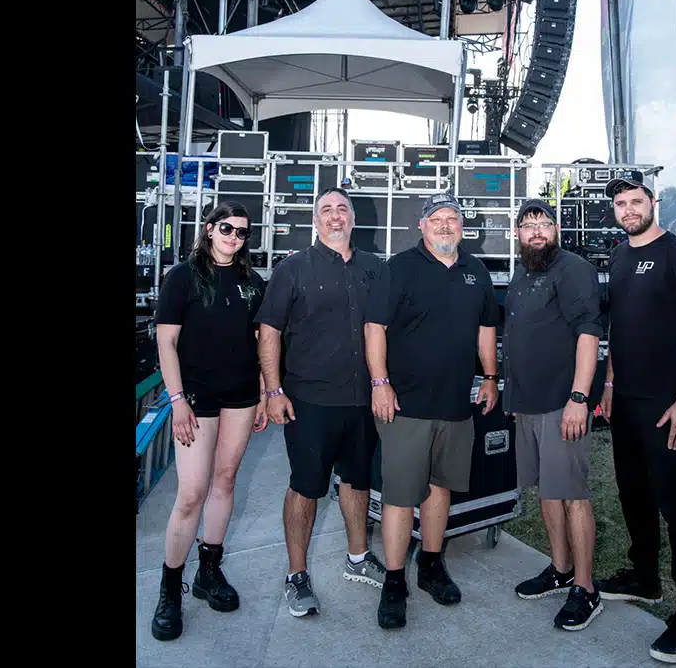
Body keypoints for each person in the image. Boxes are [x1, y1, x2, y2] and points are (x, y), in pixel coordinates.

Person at [363, 190, 499, 630]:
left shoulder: (476, 272)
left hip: (456, 404)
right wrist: (380, 383)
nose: (445, 225)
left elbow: (486, 329)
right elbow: (374, 328)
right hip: (405, 405)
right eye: (437, 218)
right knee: (401, 496)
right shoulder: (398, 268)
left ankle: (432, 564)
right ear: (421, 226)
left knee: (441, 488)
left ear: (463, 228)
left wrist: (491, 377)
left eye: (452, 219)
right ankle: (395, 580)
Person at [596, 178, 676, 663]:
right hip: (624, 402)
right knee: (633, 494)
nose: (628, 210)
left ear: (652, 204)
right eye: (620, 204)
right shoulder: (619, 257)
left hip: (665, 406)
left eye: (635, 202)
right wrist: (607, 385)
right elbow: (618, 331)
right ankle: (645, 577)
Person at [255, 187, 387, 620]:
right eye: (326, 210)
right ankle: (297, 576)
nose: (335, 216)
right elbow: (269, 331)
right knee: (305, 486)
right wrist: (273, 390)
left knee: (357, 481)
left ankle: (357, 558)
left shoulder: (374, 268)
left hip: (362, 401)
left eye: (342, 209)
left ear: (353, 218)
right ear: (315, 221)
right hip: (309, 401)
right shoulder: (292, 269)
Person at [150, 202, 269, 643]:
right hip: (195, 399)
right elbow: (167, 343)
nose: (233, 237)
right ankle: (170, 590)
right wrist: (177, 401)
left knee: (224, 481)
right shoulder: (182, 276)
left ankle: (209, 573)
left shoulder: (252, 283)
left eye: (242, 232)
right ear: (208, 228)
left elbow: (260, 343)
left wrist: (260, 394)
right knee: (191, 492)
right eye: (226, 228)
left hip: (239, 397)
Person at [500, 199, 606, 631]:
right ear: (518, 234)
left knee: (572, 493)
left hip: (563, 403)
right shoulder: (522, 271)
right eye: (528, 225)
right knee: (546, 490)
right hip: (526, 403)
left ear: (557, 229)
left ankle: (586, 588)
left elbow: (588, 332)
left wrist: (579, 398)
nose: (537, 231)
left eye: (544, 224)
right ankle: (560, 568)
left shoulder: (572, 268)